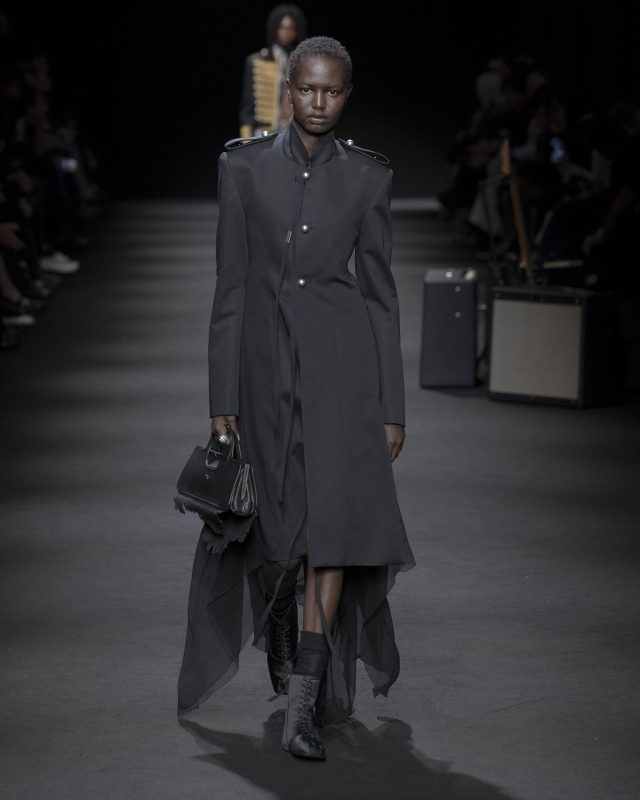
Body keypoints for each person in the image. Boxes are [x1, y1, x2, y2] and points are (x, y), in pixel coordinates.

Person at [178, 36, 415, 762]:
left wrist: (391, 405)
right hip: (263, 370)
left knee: (331, 538)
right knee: (278, 539)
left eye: (332, 91)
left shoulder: (368, 179)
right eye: (307, 89)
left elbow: (380, 298)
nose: (318, 102)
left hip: (343, 374)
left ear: (346, 94)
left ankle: (303, 709)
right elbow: (230, 287)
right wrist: (223, 393)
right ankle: (281, 612)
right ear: (289, 90)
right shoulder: (242, 168)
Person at [238, 4, 306, 138]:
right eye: (283, 27)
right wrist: (246, 138)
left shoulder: (301, 62)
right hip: (264, 132)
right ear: (275, 28)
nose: (287, 33)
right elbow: (248, 105)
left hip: (294, 131)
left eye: (292, 28)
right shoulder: (257, 61)